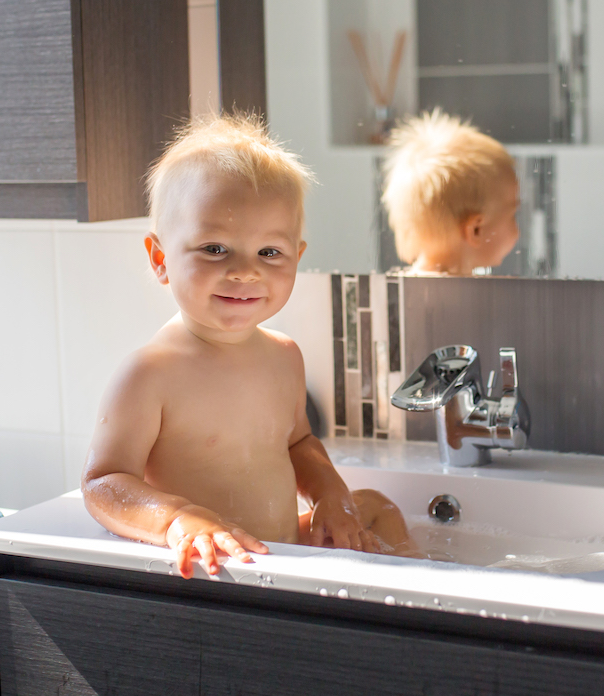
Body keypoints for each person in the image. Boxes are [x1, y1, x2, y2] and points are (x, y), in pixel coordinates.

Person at [81, 113, 418, 579]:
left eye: (269, 253)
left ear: (296, 257)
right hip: (214, 565)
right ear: (161, 259)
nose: (245, 271)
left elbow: (299, 443)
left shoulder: (283, 355)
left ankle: (417, 624)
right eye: (215, 249)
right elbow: (104, 483)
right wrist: (178, 519)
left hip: (279, 553)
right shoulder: (151, 374)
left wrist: (331, 499)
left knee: (376, 509)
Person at [381, 109, 521, 275]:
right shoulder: (462, 296)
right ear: (475, 230)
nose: (518, 231)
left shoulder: (407, 287)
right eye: (513, 215)